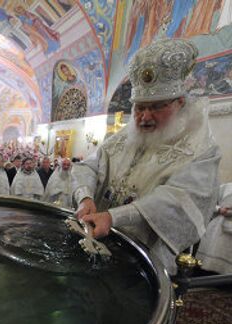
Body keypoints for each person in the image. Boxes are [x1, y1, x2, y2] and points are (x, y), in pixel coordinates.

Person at [72, 38, 220, 274]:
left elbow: (178, 201)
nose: (145, 117)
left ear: (179, 103)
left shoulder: (200, 149)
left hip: (146, 261)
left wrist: (115, 217)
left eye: (157, 106)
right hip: (95, 245)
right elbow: (87, 167)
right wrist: (85, 197)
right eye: (139, 107)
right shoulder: (123, 137)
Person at [196, 183, 232, 274]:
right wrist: (219, 209)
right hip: (215, 228)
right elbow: (207, 203)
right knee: (205, 265)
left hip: (228, 233)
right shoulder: (225, 187)